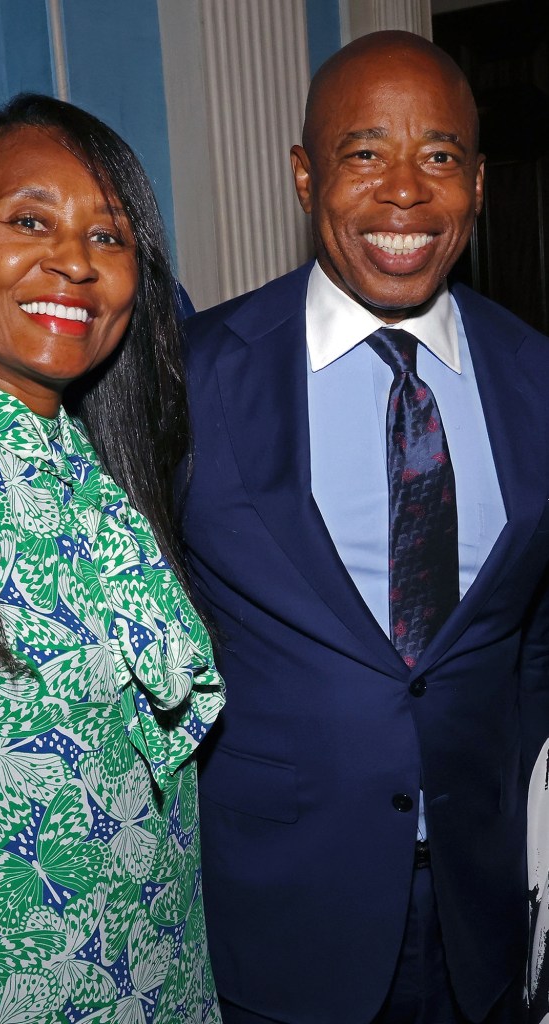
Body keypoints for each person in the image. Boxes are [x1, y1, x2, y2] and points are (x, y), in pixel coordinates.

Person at [180, 30, 549, 1024]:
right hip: (276, 907)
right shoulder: (192, 376)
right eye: (362, 153)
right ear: (304, 175)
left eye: (437, 156)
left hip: (484, 905)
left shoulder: (533, 378)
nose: (403, 193)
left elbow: (530, 636)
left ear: (475, 185)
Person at [0, 93, 224, 1022]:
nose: (74, 261)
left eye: (109, 238)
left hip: (153, 977)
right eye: (31, 220)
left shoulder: (109, 466)